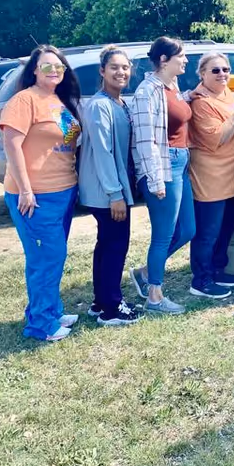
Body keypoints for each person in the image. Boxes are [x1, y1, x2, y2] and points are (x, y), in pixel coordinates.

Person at [0, 45, 82, 341]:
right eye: (47, 66)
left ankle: (51, 311)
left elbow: (69, 140)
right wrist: (25, 189)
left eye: (59, 66)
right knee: (45, 258)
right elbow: (12, 144)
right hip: (36, 196)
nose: (54, 71)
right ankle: (40, 326)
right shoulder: (24, 100)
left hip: (63, 190)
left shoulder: (57, 100)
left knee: (54, 256)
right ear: (34, 70)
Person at [129, 37, 195, 315]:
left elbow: (176, 112)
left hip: (181, 163)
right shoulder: (147, 92)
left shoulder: (172, 86)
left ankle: (145, 272)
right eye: (181, 56)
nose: (186, 61)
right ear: (164, 60)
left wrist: (193, 95)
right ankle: (154, 296)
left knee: (188, 229)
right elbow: (145, 141)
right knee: (163, 235)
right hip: (163, 167)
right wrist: (155, 181)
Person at [78, 46, 142, 327]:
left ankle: (101, 301)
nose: (121, 72)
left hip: (114, 188)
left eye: (125, 67)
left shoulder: (119, 103)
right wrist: (115, 194)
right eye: (114, 67)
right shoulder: (99, 105)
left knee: (106, 245)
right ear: (102, 71)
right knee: (115, 246)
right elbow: (103, 152)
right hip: (106, 191)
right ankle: (112, 308)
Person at [187, 53, 234, 299]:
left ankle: (217, 269)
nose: (222, 75)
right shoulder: (201, 102)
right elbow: (217, 137)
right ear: (202, 74)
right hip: (210, 177)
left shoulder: (228, 94)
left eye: (226, 69)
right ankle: (201, 279)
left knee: (226, 228)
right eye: (215, 70)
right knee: (208, 232)